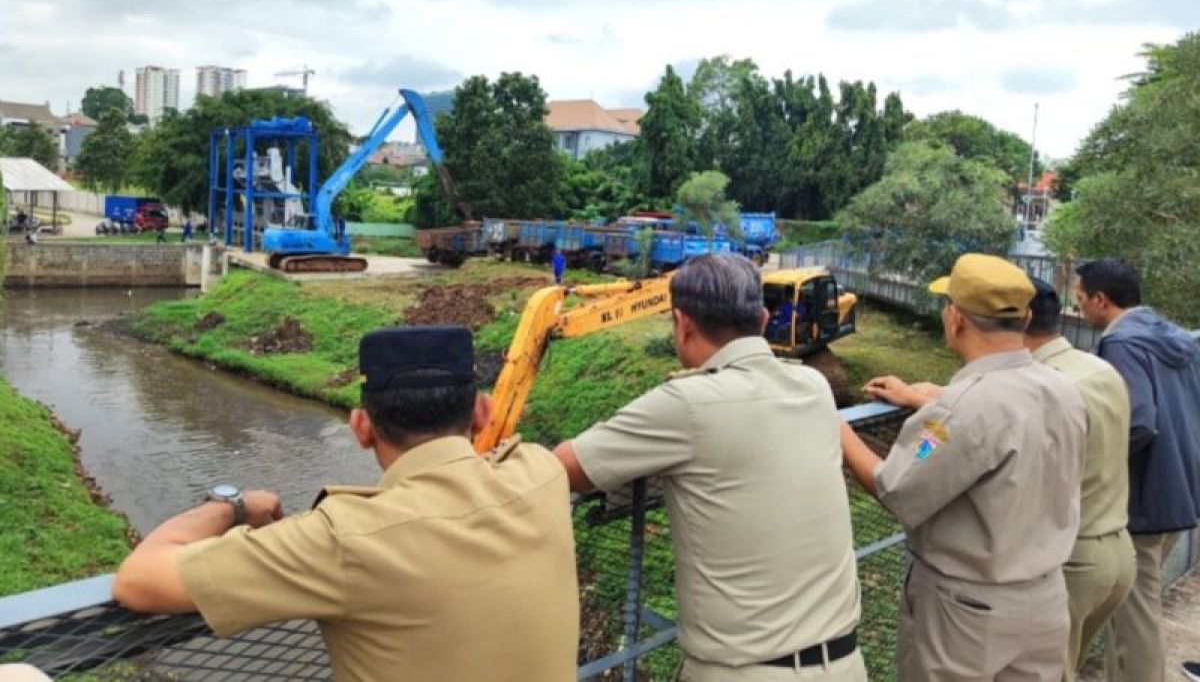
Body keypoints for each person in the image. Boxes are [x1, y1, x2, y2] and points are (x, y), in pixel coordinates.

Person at [112, 326, 580, 682]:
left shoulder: (342, 539)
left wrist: (231, 506)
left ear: (360, 428)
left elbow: (138, 581)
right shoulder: (542, 473)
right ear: (482, 412)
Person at [554, 254, 866, 681]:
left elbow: (565, 467)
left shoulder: (686, 405)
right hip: (845, 663)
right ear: (761, 317)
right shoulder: (812, 384)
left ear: (682, 324)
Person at [841, 253, 1087, 682]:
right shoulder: (1063, 388)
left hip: (968, 615)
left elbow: (895, 486)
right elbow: (997, 426)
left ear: (955, 318)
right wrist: (928, 401)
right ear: (1025, 318)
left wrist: (835, 427)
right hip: (1045, 599)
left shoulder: (960, 410)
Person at [1073, 259, 1200, 682]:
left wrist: (1093, 467)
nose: (1078, 310)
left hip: (1143, 496)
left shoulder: (1122, 345)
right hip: (1179, 487)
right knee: (1138, 606)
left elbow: (1137, 419)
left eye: (1080, 299)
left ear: (1100, 300)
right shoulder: (1175, 338)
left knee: (1134, 615)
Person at [1023, 276, 1136, 681]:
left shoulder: (1043, 386)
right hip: (1116, 551)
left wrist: (937, 414)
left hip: (1071, 560)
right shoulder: (1097, 369)